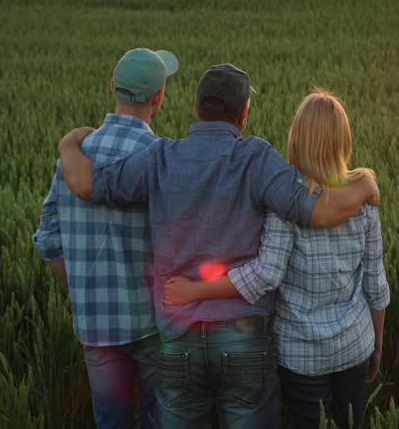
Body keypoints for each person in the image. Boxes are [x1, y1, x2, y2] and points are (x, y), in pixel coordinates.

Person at [56, 63, 379, 429]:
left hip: (179, 336)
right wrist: (364, 186)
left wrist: (68, 143)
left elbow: (86, 184)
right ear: (243, 114)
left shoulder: (161, 158)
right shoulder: (256, 159)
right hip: (245, 340)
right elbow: (316, 212)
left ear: (197, 106)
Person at [163, 89, 389, 429]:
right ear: (344, 140)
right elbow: (376, 284)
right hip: (354, 346)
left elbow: (267, 274)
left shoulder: (285, 203)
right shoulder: (363, 202)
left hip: (301, 355)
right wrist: (377, 342)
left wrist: (195, 290)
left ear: (296, 138)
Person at [32, 47, 179, 429]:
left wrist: (80, 288)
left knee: (111, 422)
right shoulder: (161, 157)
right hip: (154, 323)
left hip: (96, 324)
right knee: (161, 420)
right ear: (159, 97)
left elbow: (48, 237)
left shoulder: (73, 158)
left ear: (112, 85)